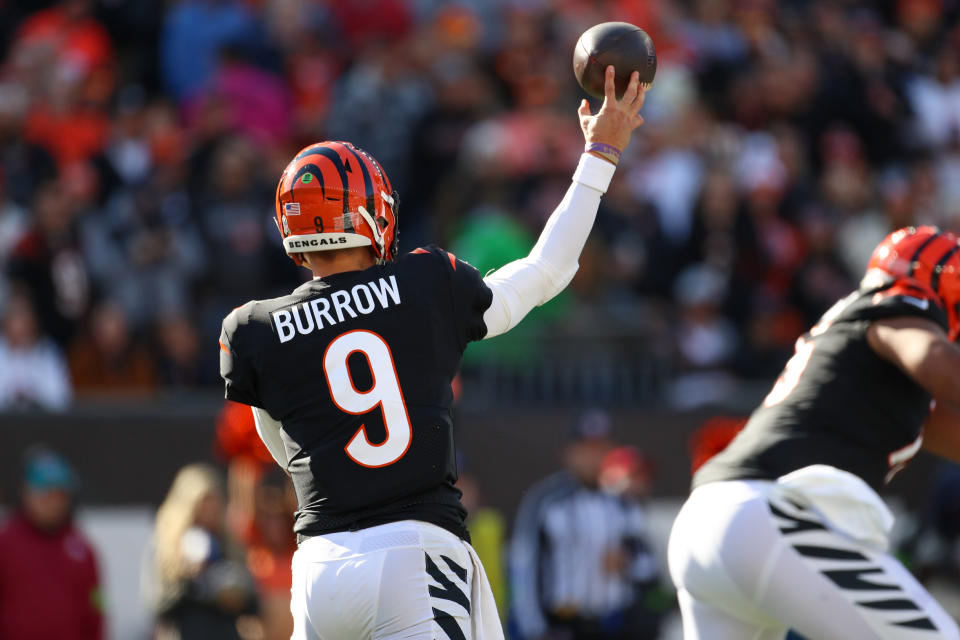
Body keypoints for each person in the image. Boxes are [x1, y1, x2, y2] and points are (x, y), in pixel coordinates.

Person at [218, 65, 646, 640]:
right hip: (415, 552)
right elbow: (547, 270)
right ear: (370, 212)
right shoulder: (425, 283)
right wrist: (601, 153)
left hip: (319, 568)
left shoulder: (252, 328)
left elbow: (283, 449)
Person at [668, 225, 960, 639]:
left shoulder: (865, 363)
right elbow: (934, 357)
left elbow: (942, 422)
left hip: (712, 521)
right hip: (770, 515)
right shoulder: (897, 308)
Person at [509, 411, 663, 640]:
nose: (594, 457)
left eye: (601, 448)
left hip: (614, 624)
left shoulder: (623, 501)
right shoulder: (546, 499)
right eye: (586, 449)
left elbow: (649, 567)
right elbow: (524, 565)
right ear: (568, 452)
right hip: (561, 625)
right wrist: (535, 629)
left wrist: (628, 561)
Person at [0, 447, 103, 640]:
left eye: (59, 495)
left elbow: (98, 603)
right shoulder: (5, 544)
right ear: (26, 493)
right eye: (46, 494)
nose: (53, 503)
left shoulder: (83, 550)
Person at [150, 463, 261, 640]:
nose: (208, 516)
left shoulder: (230, 543)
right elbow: (157, 604)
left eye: (214, 508)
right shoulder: (167, 547)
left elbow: (254, 605)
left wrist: (236, 595)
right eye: (202, 508)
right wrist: (193, 582)